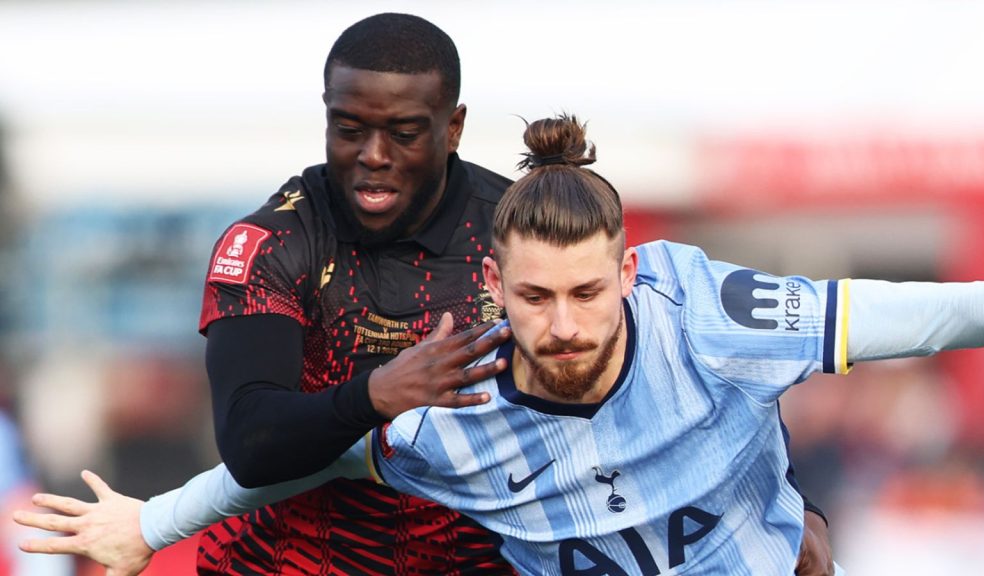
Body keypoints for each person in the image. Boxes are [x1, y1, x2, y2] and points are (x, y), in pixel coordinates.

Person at [13, 15, 834, 576]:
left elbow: (671, 365)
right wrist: (377, 393)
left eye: (402, 132)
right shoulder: (270, 246)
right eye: (348, 127)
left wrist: (797, 507)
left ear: (454, 126)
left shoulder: (517, 233)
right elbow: (253, 439)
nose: (371, 154)